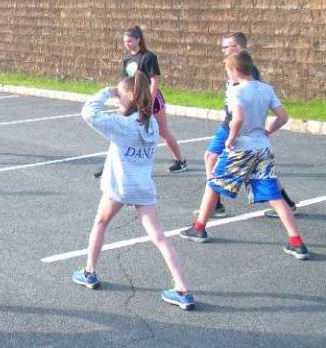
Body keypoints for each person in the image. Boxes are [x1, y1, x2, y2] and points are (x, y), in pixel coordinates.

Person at [74, 72, 195, 310]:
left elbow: (88, 112)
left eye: (120, 96)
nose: (117, 100)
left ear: (129, 96)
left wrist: (107, 91)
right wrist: (120, 95)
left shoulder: (121, 125)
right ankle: (182, 289)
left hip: (119, 186)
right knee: (159, 236)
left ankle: (89, 272)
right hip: (141, 186)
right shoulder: (150, 124)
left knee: (100, 223)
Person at [179, 51, 309, 260]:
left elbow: (237, 119)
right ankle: (297, 242)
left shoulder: (235, 91)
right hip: (263, 148)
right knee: (274, 195)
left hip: (242, 148)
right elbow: (283, 117)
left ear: (235, 71)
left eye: (228, 71)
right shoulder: (266, 89)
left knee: (214, 183)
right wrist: (268, 130)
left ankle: (199, 228)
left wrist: (230, 138)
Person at [194, 32, 297, 218]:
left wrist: (236, 133)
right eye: (223, 46)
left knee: (212, 159)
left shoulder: (246, 73)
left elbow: (243, 110)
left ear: (238, 48)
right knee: (215, 158)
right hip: (233, 125)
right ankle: (286, 204)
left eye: (228, 46)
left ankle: (213, 207)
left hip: (235, 128)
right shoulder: (234, 68)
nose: (224, 49)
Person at [94, 26, 186, 178]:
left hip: (152, 99)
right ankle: (109, 166)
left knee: (163, 132)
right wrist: (120, 100)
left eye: (130, 40)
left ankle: (180, 160)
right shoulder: (127, 60)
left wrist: (148, 101)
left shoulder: (148, 57)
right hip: (132, 99)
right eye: (125, 41)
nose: (127, 44)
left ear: (138, 40)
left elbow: (154, 80)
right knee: (119, 131)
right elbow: (124, 82)